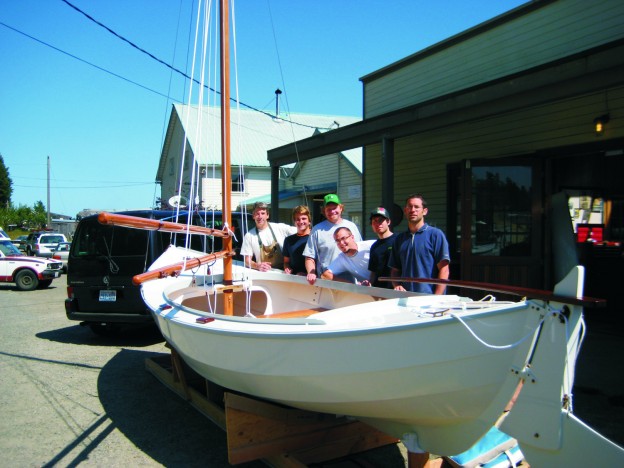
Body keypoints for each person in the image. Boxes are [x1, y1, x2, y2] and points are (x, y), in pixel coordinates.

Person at [389, 194, 450, 294]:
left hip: (429, 299)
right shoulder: (399, 239)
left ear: (424, 211)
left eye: (417, 207)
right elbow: (395, 270)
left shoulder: (435, 235)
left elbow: (444, 269)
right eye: (409, 207)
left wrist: (437, 298)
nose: (413, 210)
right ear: (405, 211)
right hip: (405, 298)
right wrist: (397, 285)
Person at [303, 193, 362, 284]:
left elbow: (360, 252)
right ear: (324, 211)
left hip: (351, 281)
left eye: (334, 208)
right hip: (327, 280)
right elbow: (310, 257)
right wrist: (311, 273)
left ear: (341, 208)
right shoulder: (317, 230)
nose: (332, 211)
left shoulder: (352, 226)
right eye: (328, 209)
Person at [240, 202, 296, 272]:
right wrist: (257, 266)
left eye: (263, 213)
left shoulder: (280, 228)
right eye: (257, 213)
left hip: (283, 272)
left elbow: (301, 230)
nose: (260, 216)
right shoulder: (249, 236)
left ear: (267, 215)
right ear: (253, 216)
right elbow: (247, 260)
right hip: (265, 274)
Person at [368, 206, 396, 288]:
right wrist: (369, 283)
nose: (377, 224)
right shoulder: (374, 246)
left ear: (388, 222)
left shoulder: (398, 241)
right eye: (374, 221)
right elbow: (373, 272)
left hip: (396, 290)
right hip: (378, 291)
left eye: (381, 220)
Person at [282, 205, 312, 275]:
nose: (301, 221)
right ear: (294, 222)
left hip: (312, 281)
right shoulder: (288, 240)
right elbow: (286, 262)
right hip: (293, 280)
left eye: (304, 218)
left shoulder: (314, 238)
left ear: (309, 221)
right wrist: (287, 268)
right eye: (298, 219)